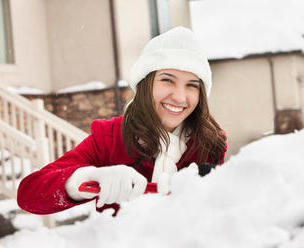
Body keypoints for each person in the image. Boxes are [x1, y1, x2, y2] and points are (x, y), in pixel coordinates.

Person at [17, 26, 227, 215]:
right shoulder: (110, 137)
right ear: (145, 84)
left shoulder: (209, 142)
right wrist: (90, 177)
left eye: (192, 85)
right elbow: (29, 195)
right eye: (167, 80)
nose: (180, 97)